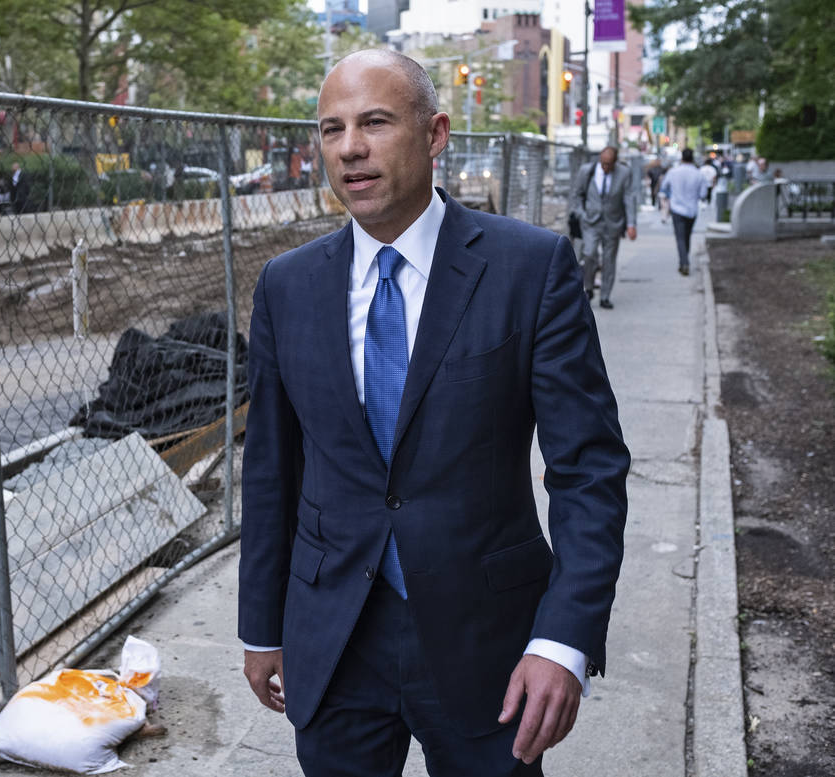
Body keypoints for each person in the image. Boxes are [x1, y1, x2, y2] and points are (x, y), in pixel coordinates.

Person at [239, 49, 629, 777]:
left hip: (489, 644)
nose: (350, 146)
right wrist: (261, 626)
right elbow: (270, 471)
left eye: (376, 122)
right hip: (335, 639)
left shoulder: (529, 269)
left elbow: (589, 470)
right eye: (332, 129)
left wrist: (562, 639)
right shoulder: (285, 287)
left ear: (435, 133)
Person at [568, 146, 637, 309]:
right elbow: (576, 194)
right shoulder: (587, 171)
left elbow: (629, 198)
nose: (605, 167)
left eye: (609, 164)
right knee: (589, 254)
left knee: (609, 260)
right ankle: (589, 287)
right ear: (600, 159)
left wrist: (631, 224)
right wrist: (581, 214)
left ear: (615, 162)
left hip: (613, 223)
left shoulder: (624, 173)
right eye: (603, 163)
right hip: (591, 222)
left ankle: (605, 296)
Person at [659, 148, 710, 276]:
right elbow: (703, 194)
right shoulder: (699, 174)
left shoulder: (673, 172)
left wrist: (672, 195)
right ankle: (684, 260)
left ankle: (684, 262)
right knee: (686, 236)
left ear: (681, 158)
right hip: (692, 209)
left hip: (677, 209)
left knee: (680, 237)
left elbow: (664, 187)